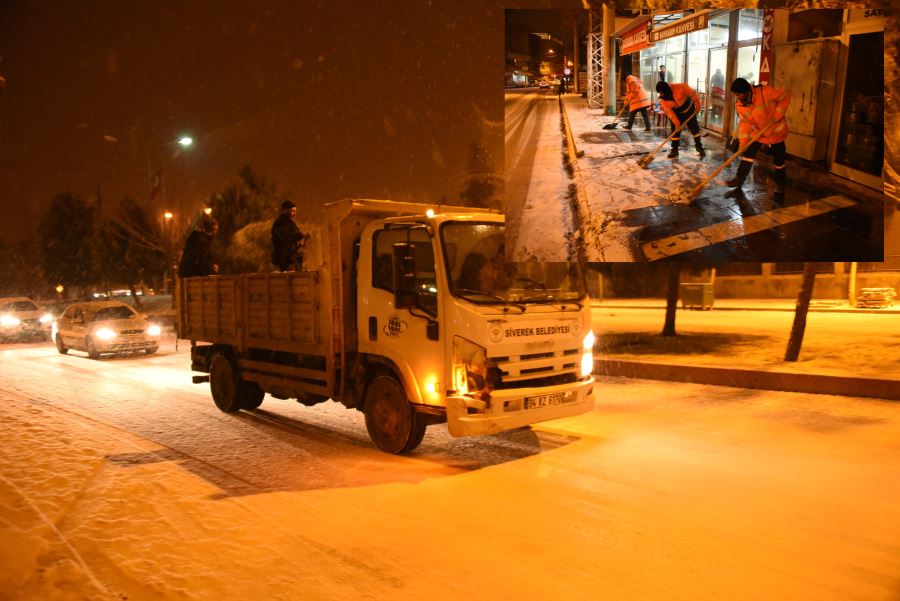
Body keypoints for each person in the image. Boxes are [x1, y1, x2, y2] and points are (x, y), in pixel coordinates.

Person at [726, 77, 791, 195]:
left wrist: (777, 115)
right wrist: (743, 143)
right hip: (759, 133)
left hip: (776, 131)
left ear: (746, 91)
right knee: (747, 155)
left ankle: (781, 186)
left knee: (779, 160)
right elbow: (746, 124)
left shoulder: (765, 92)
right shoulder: (740, 105)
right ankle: (738, 180)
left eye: (739, 94)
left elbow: (784, 97)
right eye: (735, 95)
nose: (738, 97)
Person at [655, 81, 706, 159]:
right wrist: (676, 123)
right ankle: (674, 150)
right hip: (677, 113)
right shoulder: (663, 98)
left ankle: (699, 147)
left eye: (663, 93)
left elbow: (693, 94)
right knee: (675, 131)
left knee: (694, 129)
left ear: (667, 89)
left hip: (689, 110)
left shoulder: (680, 87)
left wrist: (698, 105)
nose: (662, 95)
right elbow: (669, 111)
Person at [271, 200, 306, 271]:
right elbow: (284, 236)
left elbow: (295, 235)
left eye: (295, 211)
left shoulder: (290, 223)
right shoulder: (279, 222)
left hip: (292, 258)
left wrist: (302, 236)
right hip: (284, 259)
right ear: (285, 210)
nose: (294, 213)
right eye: (292, 211)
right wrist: (297, 235)